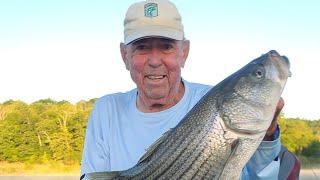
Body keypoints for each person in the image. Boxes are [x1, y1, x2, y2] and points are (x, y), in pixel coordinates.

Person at [80, 0, 289, 179]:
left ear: (184, 52)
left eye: (166, 46)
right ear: (125, 55)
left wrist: (267, 137)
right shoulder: (106, 109)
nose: (154, 61)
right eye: (142, 47)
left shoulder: (206, 99)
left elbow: (258, 176)